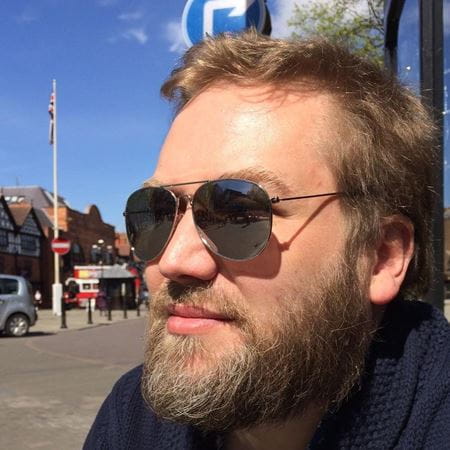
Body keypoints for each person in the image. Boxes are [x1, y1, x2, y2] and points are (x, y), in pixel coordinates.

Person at [84, 31, 450, 449]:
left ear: (381, 256)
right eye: (157, 211)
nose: (174, 260)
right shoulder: (132, 417)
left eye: (239, 213)